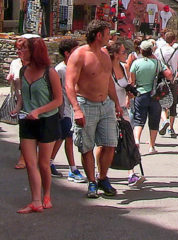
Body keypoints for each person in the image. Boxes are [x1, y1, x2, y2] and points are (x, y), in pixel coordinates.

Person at [65, 20, 123, 199]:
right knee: (86, 146)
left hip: (105, 104)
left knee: (110, 144)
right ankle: (91, 182)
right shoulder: (79, 55)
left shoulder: (105, 54)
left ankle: (102, 177)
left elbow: (109, 82)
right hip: (86, 103)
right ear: (99, 35)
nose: (110, 37)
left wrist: (116, 103)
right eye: (107, 34)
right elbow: (69, 84)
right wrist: (76, 109)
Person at [11, 37, 63, 214]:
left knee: (43, 163)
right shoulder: (23, 70)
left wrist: (39, 111)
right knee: (30, 163)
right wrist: (18, 107)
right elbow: (22, 96)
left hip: (47, 120)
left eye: (24, 48)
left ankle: (47, 195)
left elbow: (58, 100)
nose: (20, 51)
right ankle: (36, 200)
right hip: (27, 120)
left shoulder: (50, 72)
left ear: (34, 51)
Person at [129, 40, 173, 156]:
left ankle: (137, 141)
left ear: (141, 51)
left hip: (140, 94)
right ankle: (152, 146)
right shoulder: (158, 63)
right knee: (154, 121)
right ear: (152, 50)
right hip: (155, 95)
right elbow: (169, 74)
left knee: (139, 120)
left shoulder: (136, 63)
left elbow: (131, 82)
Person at [49, 38, 84, 183]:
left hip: (72, 108)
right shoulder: (60, 70)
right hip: (63, 110)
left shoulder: (77, 67)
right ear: (67, 53)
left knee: (65, 138)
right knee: (64, 137)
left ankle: (53, 163)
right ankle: (70, 168)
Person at [155, 31, 178, 137]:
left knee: (160, 102)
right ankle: (171, 128)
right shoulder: (177, 52)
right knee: (173, 103)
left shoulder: (158, 51)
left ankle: (164, 119)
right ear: (174, 40)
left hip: (161, 79)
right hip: (173, 80)